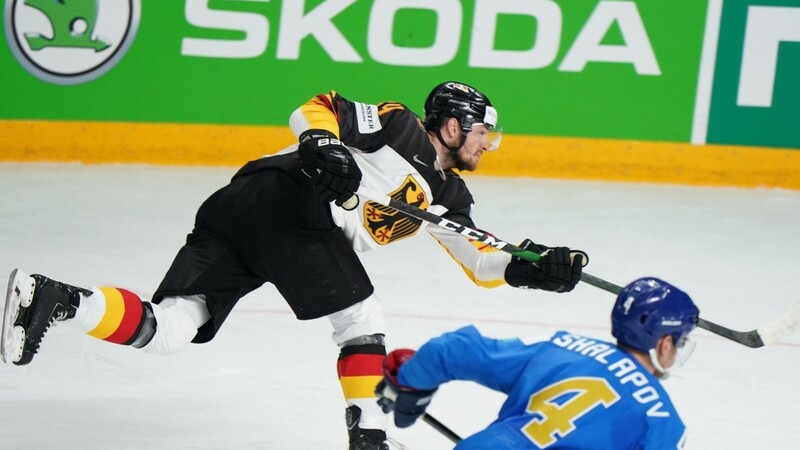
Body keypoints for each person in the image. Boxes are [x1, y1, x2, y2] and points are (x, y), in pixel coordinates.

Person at [1, 81, 586, 450]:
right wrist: (323, 145)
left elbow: (481, 261)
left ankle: (56, 300)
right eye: (483, 132)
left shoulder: (450, 199)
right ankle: (372, 438)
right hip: (288, 199)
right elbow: (320, 105)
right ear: (454, 124)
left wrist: (534, 266)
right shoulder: (399, 124)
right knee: (362, 320)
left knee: (172, 327)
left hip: (243, 213)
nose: (489, 144)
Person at [375, 277, 699, 449]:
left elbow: (456, 349)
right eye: (680, 340)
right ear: (664, 342)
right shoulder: (663, 420)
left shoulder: (561, 348)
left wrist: (411, 381)